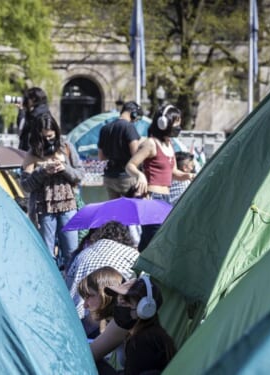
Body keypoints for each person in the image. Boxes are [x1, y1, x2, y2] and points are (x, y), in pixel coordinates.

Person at [126, 104, 194, 252]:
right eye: (176, 122)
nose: (179, 126)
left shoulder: (169, 144)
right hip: (152, 197)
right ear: (164, 122)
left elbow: (174, 172)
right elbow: (130, 165)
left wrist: (188, 176)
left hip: (166, 198)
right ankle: (142, 270)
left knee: (155, 241)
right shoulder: (150, 143)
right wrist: (140, 175)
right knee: (154, 241)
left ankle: (139, 269)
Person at [20, 111, 83, 269]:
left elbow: (80, 174)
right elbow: (25, 185)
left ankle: (71, 288)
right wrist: (42, 171)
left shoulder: (66, 147)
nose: (48, 141)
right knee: (47, 255)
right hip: (43, 208)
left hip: (67, 205)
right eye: (44, 137)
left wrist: (64, 168)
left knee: (71, 252)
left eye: (51, 136)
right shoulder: (32, 153)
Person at [65, 221, 140, 328]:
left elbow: (68, 289)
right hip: (114, 322)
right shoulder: (133, 255)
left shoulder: (83, 253)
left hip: (75, 317)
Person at [98, 274, 176, 375]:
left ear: (146, 309)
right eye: (119, 301)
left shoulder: (142, 342)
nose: (119, 307)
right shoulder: (152, 334)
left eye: (126, 301)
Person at [77, 266, 128, 371]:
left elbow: (87, 356)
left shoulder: (123, 321)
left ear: (106, 295)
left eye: (89, 296)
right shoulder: (119, 316)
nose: (85, 305)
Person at [98, 101, 143, 199]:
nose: (136, 121)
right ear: (133, 113)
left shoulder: (105, 128)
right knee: (131, 209)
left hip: (109, 177)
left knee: (115, 211)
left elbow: (101, 157)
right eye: (137, 118)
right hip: (126, 177)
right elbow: (135, 154)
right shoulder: (129, 127)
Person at [17, 87, 49, 151]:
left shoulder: (35, 115)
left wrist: (22, 111)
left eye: (27, 98)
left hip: (31, 152)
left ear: (33, 99)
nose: (26, 101)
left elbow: (22, 128)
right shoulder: (44, 112)